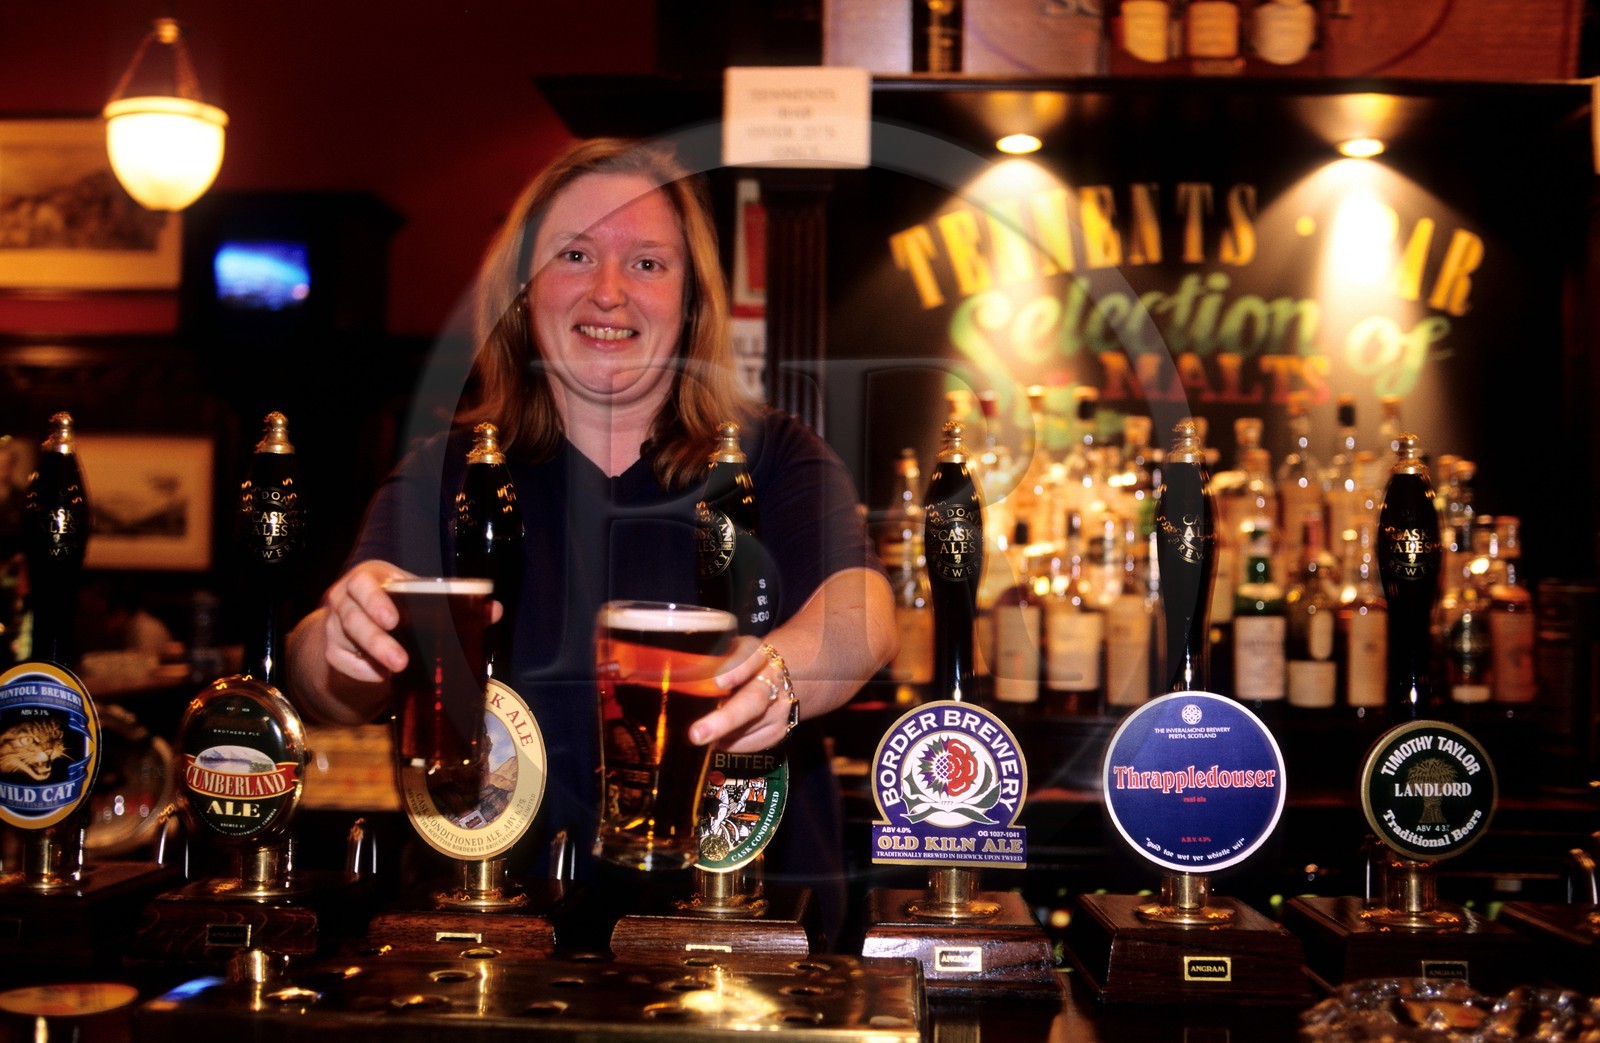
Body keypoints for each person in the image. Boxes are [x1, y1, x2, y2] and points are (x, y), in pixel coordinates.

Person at [286, 137, 896, 942]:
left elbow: (864, 613)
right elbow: (314, 678)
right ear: (522, 291)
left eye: (647, 263)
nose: (609, 292)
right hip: (492, 930)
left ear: (691, 300)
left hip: (740, 932)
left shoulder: (769, 454)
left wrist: (778, 675)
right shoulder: (452, 471)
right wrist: (344, 641)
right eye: (576, 254)